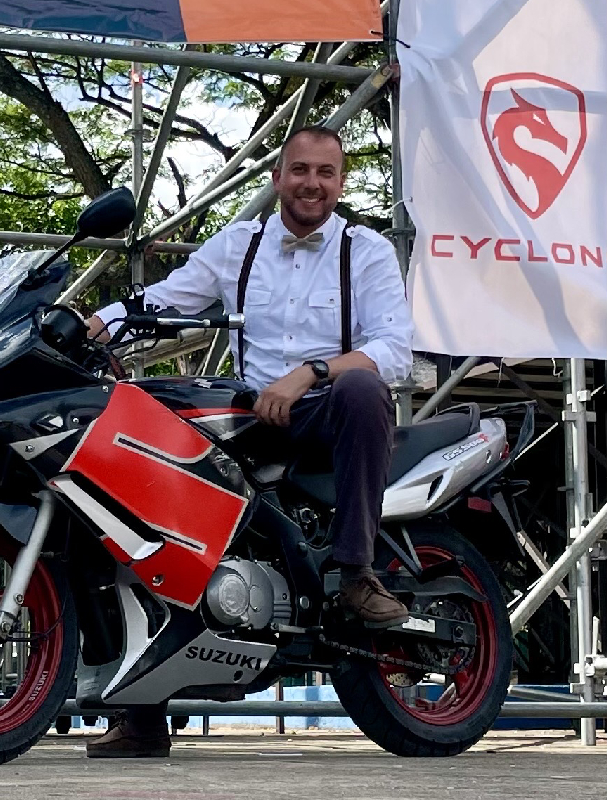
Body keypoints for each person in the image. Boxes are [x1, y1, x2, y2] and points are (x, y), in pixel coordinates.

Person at [83, 125, 414, 758]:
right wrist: (94, 324)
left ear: (340, 182)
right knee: (138, 474)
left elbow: (394, 348)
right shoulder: (239, 244)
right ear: (277, 177)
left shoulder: (365, 251)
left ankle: (356, 573)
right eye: (300, 170)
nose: (312, 183)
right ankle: (141, 712)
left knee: (363, 387)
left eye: (325, 172)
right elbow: (166, 300)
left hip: (327, 411)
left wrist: (310, 372)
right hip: (249, 417)